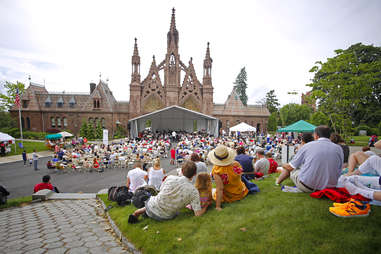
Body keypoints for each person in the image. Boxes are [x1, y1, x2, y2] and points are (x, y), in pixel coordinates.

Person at [128, 161, 208, 223]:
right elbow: (197, 214)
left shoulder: (170, 178)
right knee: (167, 205)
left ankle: (137, 212)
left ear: (182, 171)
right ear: (194, 174)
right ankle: (144, 213)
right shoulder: (194, 191)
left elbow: (161, 191)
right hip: (165, 217)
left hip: (152, 206)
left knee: (156, 200)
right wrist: (206, 205)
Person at [276, 125, 343, 192]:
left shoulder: (307, 146)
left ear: (316, 135)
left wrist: (282, 164)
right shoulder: (339, 149)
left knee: (291, 168)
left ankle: (277, 182)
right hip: (330, 187)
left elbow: (290, 167)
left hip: (308, 186)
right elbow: (339, 170)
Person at [208, 145, 248, 210]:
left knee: (212, 191)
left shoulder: (216, 170)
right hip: (241, 192)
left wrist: (218, 206)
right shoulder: (236, 164)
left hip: (230, 196)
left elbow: (220, 189)